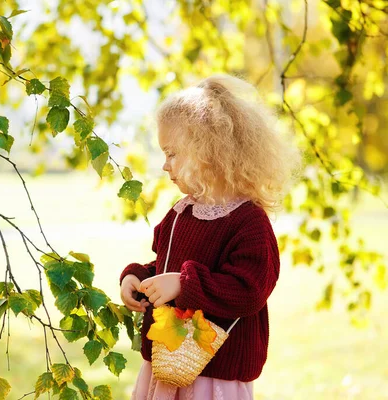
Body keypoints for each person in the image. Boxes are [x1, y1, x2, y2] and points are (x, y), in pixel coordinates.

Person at [120, 74, 300, 400]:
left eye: (172, 153)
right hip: (168, 363)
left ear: (208, 152)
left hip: (213, 376)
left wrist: (184, 285)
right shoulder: (180, 212)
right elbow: (166, 265)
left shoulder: (248, 221)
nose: (164, 165)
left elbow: (249, 290)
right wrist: (139, 276)